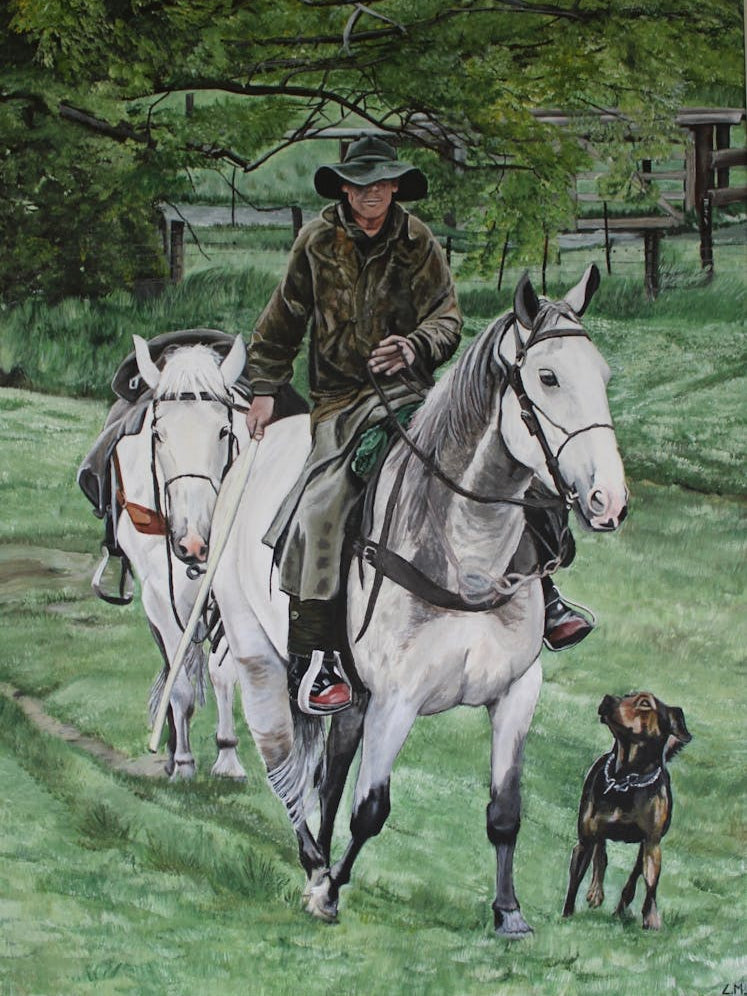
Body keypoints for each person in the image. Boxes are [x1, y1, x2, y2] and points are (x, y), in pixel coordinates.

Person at [244, 136, 591, 716]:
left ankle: (545, 592)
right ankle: (316, 654)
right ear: (345, 188)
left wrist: (413, 345)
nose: (371, 193)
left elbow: (448, 319)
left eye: (381, 183)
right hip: (340, 401)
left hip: (413, 393)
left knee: (503, 469)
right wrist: (261, 387)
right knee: (324, 500)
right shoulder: (316, 243)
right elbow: (283, 317)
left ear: (395, 187)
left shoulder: (418, 242)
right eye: (360, 183)